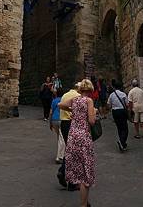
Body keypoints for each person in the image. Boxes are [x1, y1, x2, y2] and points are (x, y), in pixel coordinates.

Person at [60, 78, 96, 207]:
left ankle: (84, 202)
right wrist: (92, 113)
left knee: (78, 168)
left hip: (73, 135)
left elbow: (61, 105)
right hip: (84, 136)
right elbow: (91, 121)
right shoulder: (89, 101)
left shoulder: (74, 100)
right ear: (90, 89)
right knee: (86, 172)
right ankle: (83, 204)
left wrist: (74, 111)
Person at [57, 82, 81, 191]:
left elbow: (61, 106)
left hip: (64, 123)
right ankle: (70, 180)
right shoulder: (78, 96)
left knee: (70, 150)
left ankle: (64, 172)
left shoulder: (65, 95)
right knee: (74, 152)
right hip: (72, 124)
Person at [107, 81, 129, 152]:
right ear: (120, 87)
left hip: (115, 112)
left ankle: (122, 144)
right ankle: (122, 141)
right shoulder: (123, 94)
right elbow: (127, 104)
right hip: (122, 111)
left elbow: (108, 105)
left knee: (119, 127)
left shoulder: (111, 95)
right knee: (125, 128)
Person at [49, 88, 65, 163]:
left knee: (59, 137)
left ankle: (60, 153)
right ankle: (59, 156)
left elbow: (51, 112)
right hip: (61, 119)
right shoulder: (64, 100)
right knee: (62, 138)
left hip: (54, 120)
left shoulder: (54, 100)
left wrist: (50, 123)